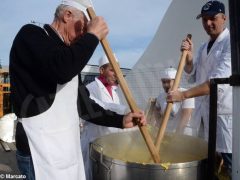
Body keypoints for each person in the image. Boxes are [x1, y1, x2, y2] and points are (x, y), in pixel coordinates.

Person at [9, 1, 146, 180]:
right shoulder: (32, 34)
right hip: (38, 151)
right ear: (67, 15)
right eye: (83, 27)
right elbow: (60, 70)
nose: (83, 35)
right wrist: (93, 35)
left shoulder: (69, 56)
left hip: (66, 152)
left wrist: (121, 120)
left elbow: (85, 105)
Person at [167, 0, 232, 175]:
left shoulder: (231, 43)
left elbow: (216, 82)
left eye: (213, 18)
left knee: (230, 164)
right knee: (210, 163)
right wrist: (188, 56)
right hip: (204, 115)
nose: (208, 23)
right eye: (204, 19)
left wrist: (183, 95)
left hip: (223, 115)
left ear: (224, 18)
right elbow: (192, 73)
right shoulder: (204, 46)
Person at [80, 54, 129, 180]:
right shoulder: (90, 89)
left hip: (110, 144)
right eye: (112, 70)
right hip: (94, 142)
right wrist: (124, 110)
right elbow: (103, 108)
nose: (116, 74)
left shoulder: (114, 91)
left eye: (118, 70)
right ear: (101, 70)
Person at [155, 67, 195, 135]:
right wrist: (158, 126)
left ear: (176, 81)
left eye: (168, 81)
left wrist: (177, 136)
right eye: (163, 82)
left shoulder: (185, 94)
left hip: (183, 134)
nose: (165, 85)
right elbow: (157, 111)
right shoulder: (160, 97)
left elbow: (185, 117)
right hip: (167, 133)